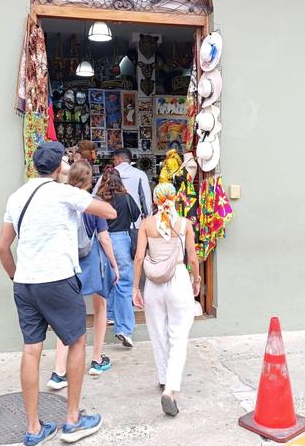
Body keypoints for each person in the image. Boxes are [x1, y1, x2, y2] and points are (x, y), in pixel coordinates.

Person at [0, 142, 116, 445]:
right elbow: (109, 211)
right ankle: (73, 421)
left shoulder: (16, 195)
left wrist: (15, 276)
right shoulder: (65, 193)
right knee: (76, 342)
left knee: (31, 349)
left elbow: (2, 247)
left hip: (25, 283)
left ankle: (34, 429)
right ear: (60, 166)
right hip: (58, 279)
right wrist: (76, 188)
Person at [48, 161, 121, 391]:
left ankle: (59, 371)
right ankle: (97, 360)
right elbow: (105, 238)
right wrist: (114, 265)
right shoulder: (94, 203)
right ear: (89, 179)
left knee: (66, 315)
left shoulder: (61, 201)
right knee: (100, 308)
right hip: (93, 262)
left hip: (67, 263)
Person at [132, 183, 201, 417]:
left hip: (153, 283)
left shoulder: (146, 224)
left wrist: (135, 289)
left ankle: (164, 380)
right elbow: (192, 256)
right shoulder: (184, 224)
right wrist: (197, 279)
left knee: (158, 333)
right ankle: (170, 389)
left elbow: (139, 258)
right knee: (178, 336)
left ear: (154, 199)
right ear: (174, 198)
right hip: (179, 278)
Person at [96, 166, 141, 348]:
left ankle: (111, 315)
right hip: (122, 240)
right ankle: (124, 329)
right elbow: (137, 215)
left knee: (109, 281)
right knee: (124, 283)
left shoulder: (99, 199)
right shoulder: (125, 197)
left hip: (103, 240)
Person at [93, 148, 151, 221]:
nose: (113, 162)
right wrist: (148, 217)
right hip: (135, 221)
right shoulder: (140, 175)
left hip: (111, 221)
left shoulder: (108, 174)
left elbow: (95, 196)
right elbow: (146, 199)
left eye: (114, 159)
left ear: (119, 159)